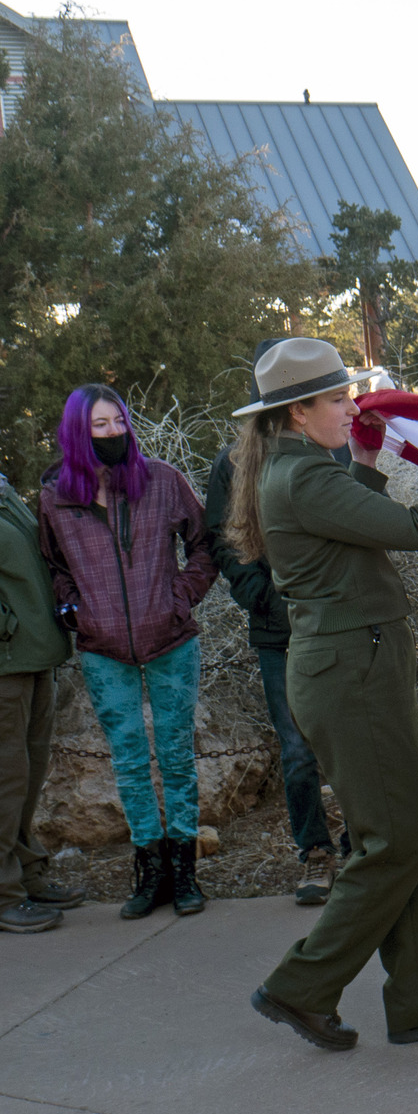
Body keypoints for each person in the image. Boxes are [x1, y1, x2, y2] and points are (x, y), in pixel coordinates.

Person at [233, 338, 418, 1051]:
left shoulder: (302, 470)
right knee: (394, 842)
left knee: (399, 834)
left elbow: (346, 531)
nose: (350, 406)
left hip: (352, 666)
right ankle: (301, 986)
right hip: (351, 670)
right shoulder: (301, 478)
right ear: (297, 413)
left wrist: (364, 461)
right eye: (336, 399)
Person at [39, 385, 218, 920]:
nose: (114, 432)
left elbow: (205, 543)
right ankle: (150, 871)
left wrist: (180, 598)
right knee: (130, 762)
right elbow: (53, 567)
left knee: (177, 757)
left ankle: (186, 871)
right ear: (78, 432)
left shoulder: (161, 480)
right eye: (100, 425)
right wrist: (74, 611)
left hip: (170, 642)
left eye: (119, 422)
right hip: (102, 649)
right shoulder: (55, 496)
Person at [205, 342, 346, 905]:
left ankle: (362, 844)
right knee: (297, 750)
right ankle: (315, 852)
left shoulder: (328, 449)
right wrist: (259, 595)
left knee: (349, 741)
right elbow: (221, 537)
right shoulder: (234, 462)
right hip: (277, 630)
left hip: (336, 623)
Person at [1, 466, 82, 932]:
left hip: (34, 655)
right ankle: (3, 894)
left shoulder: (4, 490)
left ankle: (26, 871)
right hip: (6, 662)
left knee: (27, 777)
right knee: (5, 781)